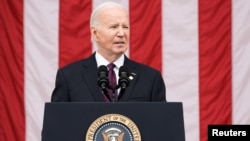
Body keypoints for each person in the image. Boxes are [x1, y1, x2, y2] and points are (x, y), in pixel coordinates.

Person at [51, 1, 166, 102]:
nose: (121, 33)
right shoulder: (69, 77)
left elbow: (163, 124)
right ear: (95, 33)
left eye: (125, 27)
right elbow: (55, 124)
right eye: (114, 27)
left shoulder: (151, 78)